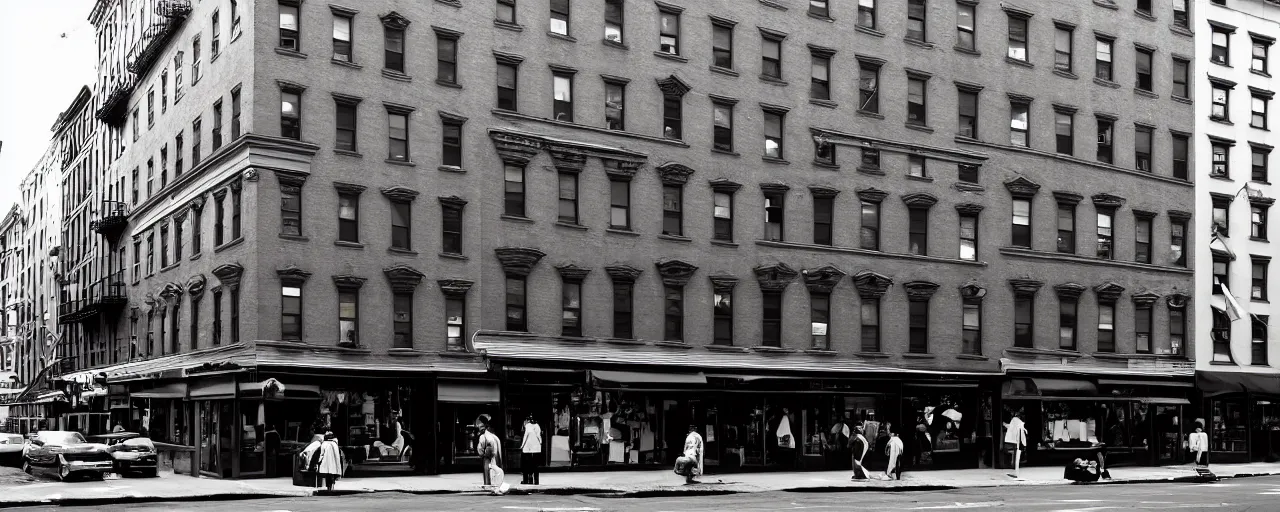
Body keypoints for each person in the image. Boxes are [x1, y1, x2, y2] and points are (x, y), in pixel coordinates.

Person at [476, 416, 503, 487]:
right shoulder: (495, 437)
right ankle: (496, 485)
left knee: (488, 473)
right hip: (496, 457)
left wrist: (482, 454)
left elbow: (481, 449)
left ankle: (488, 485)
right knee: (496, 472)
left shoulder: (484, 436)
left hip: (488, 458)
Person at [520, 415, 543, 485]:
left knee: (527, 465)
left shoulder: (528, 426)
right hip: (536, 448)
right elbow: (539, 436)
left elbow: (525, 436)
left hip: (528, 448)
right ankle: (536, 481)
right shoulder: (537, 426)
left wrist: (522, 445)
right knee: (535, 465)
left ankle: (527, 480)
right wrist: (540, 443)